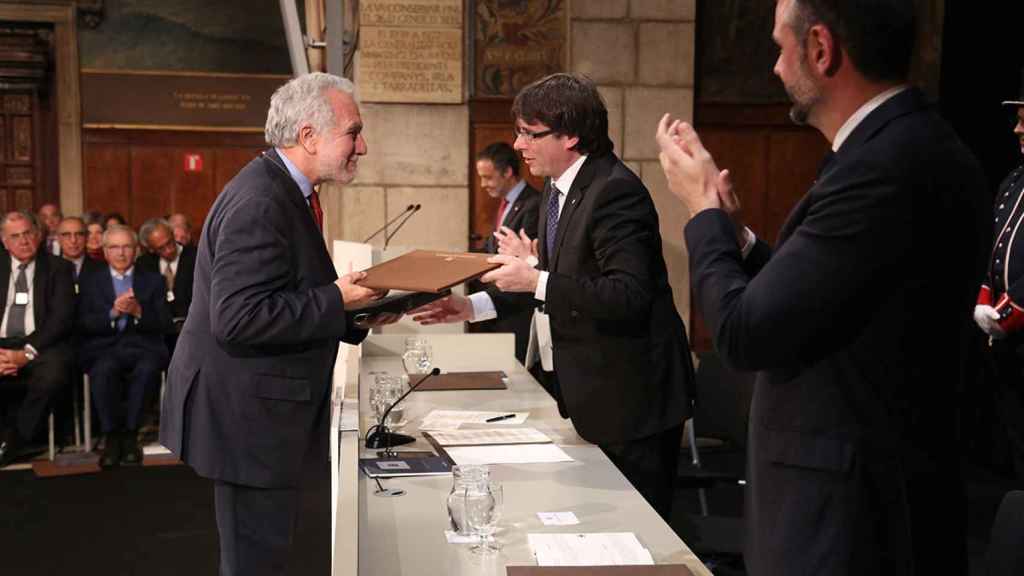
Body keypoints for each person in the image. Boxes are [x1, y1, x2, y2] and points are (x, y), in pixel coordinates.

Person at [656, 0, 988, 573]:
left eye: (780, 49)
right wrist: (735, 237)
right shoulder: (895, 147)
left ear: (820, 49)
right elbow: (817, 301)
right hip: (855, 501)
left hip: (851, 519)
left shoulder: (884, 165)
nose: (776, 69)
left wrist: (701, 211)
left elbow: (743, 333)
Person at [414, 73, 692, 520]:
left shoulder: (615, 191)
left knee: (637, 534)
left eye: (530, 133)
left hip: (633, 398)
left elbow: (629, 294)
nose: (518, 144)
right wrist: (471, 306)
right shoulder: (557, 191)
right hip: (590, 392)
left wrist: (537, 280)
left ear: (572, 135)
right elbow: (552, 284)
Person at [160, 72, 392, 576]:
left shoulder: (284, 188)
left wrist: (357, 310)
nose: (363, 146)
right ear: (309, 135)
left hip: (260, 406)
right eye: (353, 132)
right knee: (253, 562)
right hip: (247, 415)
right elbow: (240, 319)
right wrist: (337, 298)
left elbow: (285, 296)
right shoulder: (262, 201)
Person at [77, 225, 169, 469]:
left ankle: (130, 435)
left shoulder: (153, 280)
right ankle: (111, 437)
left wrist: (139, 312)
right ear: (105, 252)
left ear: (136, 250)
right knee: (104, 370)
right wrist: (113, 313)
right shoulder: (90, 281)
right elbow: (83, 323)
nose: (120, 253)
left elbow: (164, 323)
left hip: (142, 346)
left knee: (148, 369)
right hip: (104, 347)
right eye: (114, 247)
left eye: (126, 246)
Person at [974, 75, 1024, 480]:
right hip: (1007, 348)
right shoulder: (1013, 183)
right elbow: (993, 252)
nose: (1018, 129)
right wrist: (983, 300)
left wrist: (1006, 316)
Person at [0, 211, 74, 467]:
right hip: (2, 344)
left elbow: (61, 319)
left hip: (43, 343)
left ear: (38, 235)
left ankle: (16, 439)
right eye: (15, 236)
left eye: (27, 233)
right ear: (4, 241)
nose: (23, 241)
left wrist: (26, 353)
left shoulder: (59, 268)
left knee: (53, 372)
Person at [469, 141, 540, 363]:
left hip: (517, 311)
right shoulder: (507, 203)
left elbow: (526, 261)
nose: (483, 184)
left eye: (488, 177)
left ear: (508, 172)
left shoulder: (534, 204)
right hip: (499, 308)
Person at [137, 218, 196, 353]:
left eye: (170, 242)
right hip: (157, 333)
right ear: (151, 249)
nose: (169, 250)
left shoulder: (195, 257)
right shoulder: (144, 264)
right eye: (161, 248)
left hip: (190, 330)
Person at [57, 217, 104, 289]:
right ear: (58, 239)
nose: (73, 240)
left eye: (79, 234)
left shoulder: (103, 269)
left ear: (86, 237)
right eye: (67, 235)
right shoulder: (47, 271)